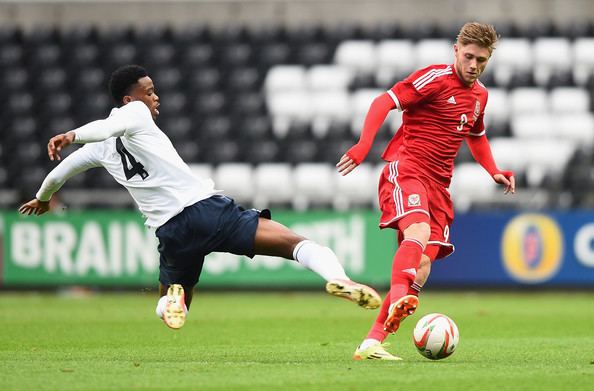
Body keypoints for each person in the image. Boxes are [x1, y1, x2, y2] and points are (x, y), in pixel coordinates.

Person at [18, 64, 381, 330]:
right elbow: (106, 126)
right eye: (149, 91)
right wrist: (71, 134)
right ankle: (340, 279)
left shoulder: (99, 150)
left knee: (176, 306)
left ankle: (172, 298)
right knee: (295, 244)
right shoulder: (135, 115)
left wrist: (41, 197)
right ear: (130, 100)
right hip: (208, 211)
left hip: (172, 232)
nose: (155, 96)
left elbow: (59, 174)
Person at [336, 22, 515, 360]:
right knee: (417, 231)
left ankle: (372, 342)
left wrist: (493, 170)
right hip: (407, 169)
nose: (474, 65)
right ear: (456, 51)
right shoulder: (433, 78)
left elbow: (475, 136)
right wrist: (363, 145)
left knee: (421, 266)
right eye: (469, 56)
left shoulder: (480, 96)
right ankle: (403, 295)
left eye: (482, 60)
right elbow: (384, 101)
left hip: (439, 187)